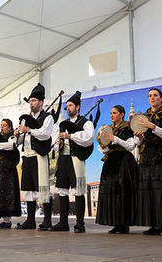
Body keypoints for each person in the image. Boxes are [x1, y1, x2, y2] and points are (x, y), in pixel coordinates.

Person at [134, 88, 162, 236]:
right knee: (149, 189)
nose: (152, 98)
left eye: (155, 95)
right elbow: (140, 139)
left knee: (161, 189)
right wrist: (139, 137)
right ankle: (153, 223)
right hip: (147, 155)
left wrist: (151, 126)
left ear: (161, 98)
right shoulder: (146, 114)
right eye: (150, 96)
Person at [51, 91, 94, 233]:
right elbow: (57, 145)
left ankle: (80, 224)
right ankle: (63, 222)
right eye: (67, 106)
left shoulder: (85, 123)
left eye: (71, 105)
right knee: (62, 190)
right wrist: (60, 144)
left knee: (78, 190)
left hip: (76, 158)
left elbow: (88, 139)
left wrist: (70, 136)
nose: (68, 108)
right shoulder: (63, 124)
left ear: (78, 107)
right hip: (63, 159)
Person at [15, 83, 54, 231]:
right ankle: (30, 220)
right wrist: (18, 135)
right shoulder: (26, 119)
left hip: (39, 156)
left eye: (34, 101)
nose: (31, 103)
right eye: (30, 101)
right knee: (28, 190)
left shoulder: (47, 117)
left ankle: (47, 220)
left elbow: (45, 134)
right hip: (27, 157)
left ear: (41, 102)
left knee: (43, 189)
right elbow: (21, 141)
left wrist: (29, 130)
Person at [95, 105, 138, 234]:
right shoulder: (109, 129)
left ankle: (124, 223)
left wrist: (115, 139)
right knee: (112, 193)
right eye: (111, 113)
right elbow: (107, 149)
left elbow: (130, 146)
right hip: (111, 162)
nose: (112, 115)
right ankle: (115, 222)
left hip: (124, 162)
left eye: (114, 113)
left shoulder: (127, 128)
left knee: (123, 192)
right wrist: (104, 147)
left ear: (122, 114)